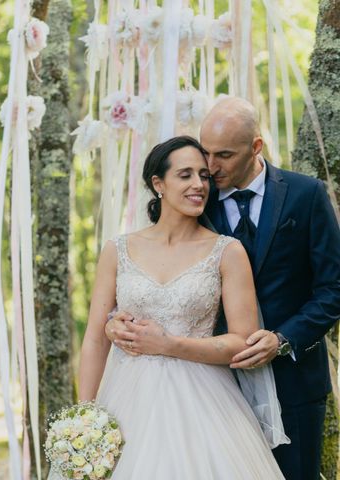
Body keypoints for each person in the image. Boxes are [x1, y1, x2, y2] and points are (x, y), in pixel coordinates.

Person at [106, 97, 340, 480]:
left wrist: (283, 338)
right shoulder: (194, 195)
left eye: (224, 155)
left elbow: (333, 288)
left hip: (292, 384)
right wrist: (115, 320)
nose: (210, 169)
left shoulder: (306, 195)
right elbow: (151, 270)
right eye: (206, 153)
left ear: (256, 147)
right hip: (208, 384)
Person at [79, 135, 284, 478]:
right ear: (158, 184)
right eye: (185, 175)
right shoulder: (118, 249)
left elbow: (241, 342)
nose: (199, 185)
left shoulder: (227, 252)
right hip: (128, 397)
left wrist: (169, 345)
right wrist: (84, 416)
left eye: (204, 176)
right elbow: (95, 338)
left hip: (206, 404)